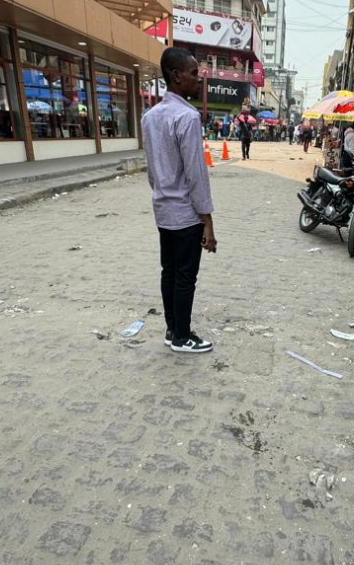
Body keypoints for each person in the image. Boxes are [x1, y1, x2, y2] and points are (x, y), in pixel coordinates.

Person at [141, 48, 217, 354]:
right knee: (185, 277)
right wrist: (207, 220)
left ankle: (172, 329)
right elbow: (196, 174)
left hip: (163, 209)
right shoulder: (187, 117)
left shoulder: (149, 117)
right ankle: (182, 337)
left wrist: (162, 191)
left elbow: (151, 170)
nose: (198, 79)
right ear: (176, 76)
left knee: (169, 272)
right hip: (185, 214)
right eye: (194, 73)